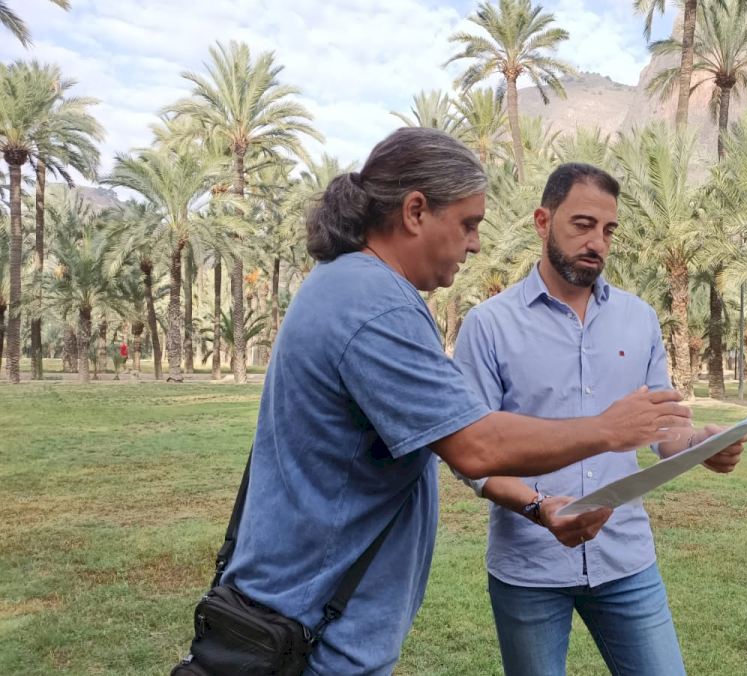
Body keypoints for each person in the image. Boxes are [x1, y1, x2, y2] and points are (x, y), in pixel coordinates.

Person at [217, 130, 691, 676]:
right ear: (415, 211)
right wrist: (606, 430)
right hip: (311, 627)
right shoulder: (376, 304)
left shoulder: (346, 284)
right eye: (468, 224)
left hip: (306, 613)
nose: (476, 244)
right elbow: (474, 445)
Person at [453, 163, 747, 676]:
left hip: (626, 559)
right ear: (543, 221)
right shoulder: (488, 325)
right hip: (530, 565)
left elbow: (661, 429)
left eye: (608, 230)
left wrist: (699, 443)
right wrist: (538, 508)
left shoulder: (639, 319)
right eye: (583, 224)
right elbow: (471, 456)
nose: (597, 242)